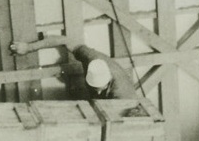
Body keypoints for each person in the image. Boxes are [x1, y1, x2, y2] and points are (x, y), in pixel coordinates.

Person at [9, 38, 139, 100]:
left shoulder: (122, 92)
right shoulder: (90, 57)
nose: (98, 92)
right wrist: (29, 47)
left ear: (108, 81)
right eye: (95, 88)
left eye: (101, 89)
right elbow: (63, 40)